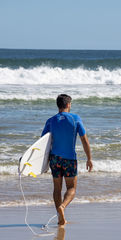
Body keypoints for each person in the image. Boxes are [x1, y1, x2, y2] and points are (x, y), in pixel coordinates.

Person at [41, 94, 93, 225]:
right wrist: (89, 158)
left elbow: (43, 144)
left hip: (54, 159)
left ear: (58, 105)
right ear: (68, 104)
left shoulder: (50, 121)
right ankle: (62, 207)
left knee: (57, 188)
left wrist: (43, 164)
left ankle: (60, 217)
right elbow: (84, 140)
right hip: (69, 159)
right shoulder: (75, 119)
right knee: (71, 188)